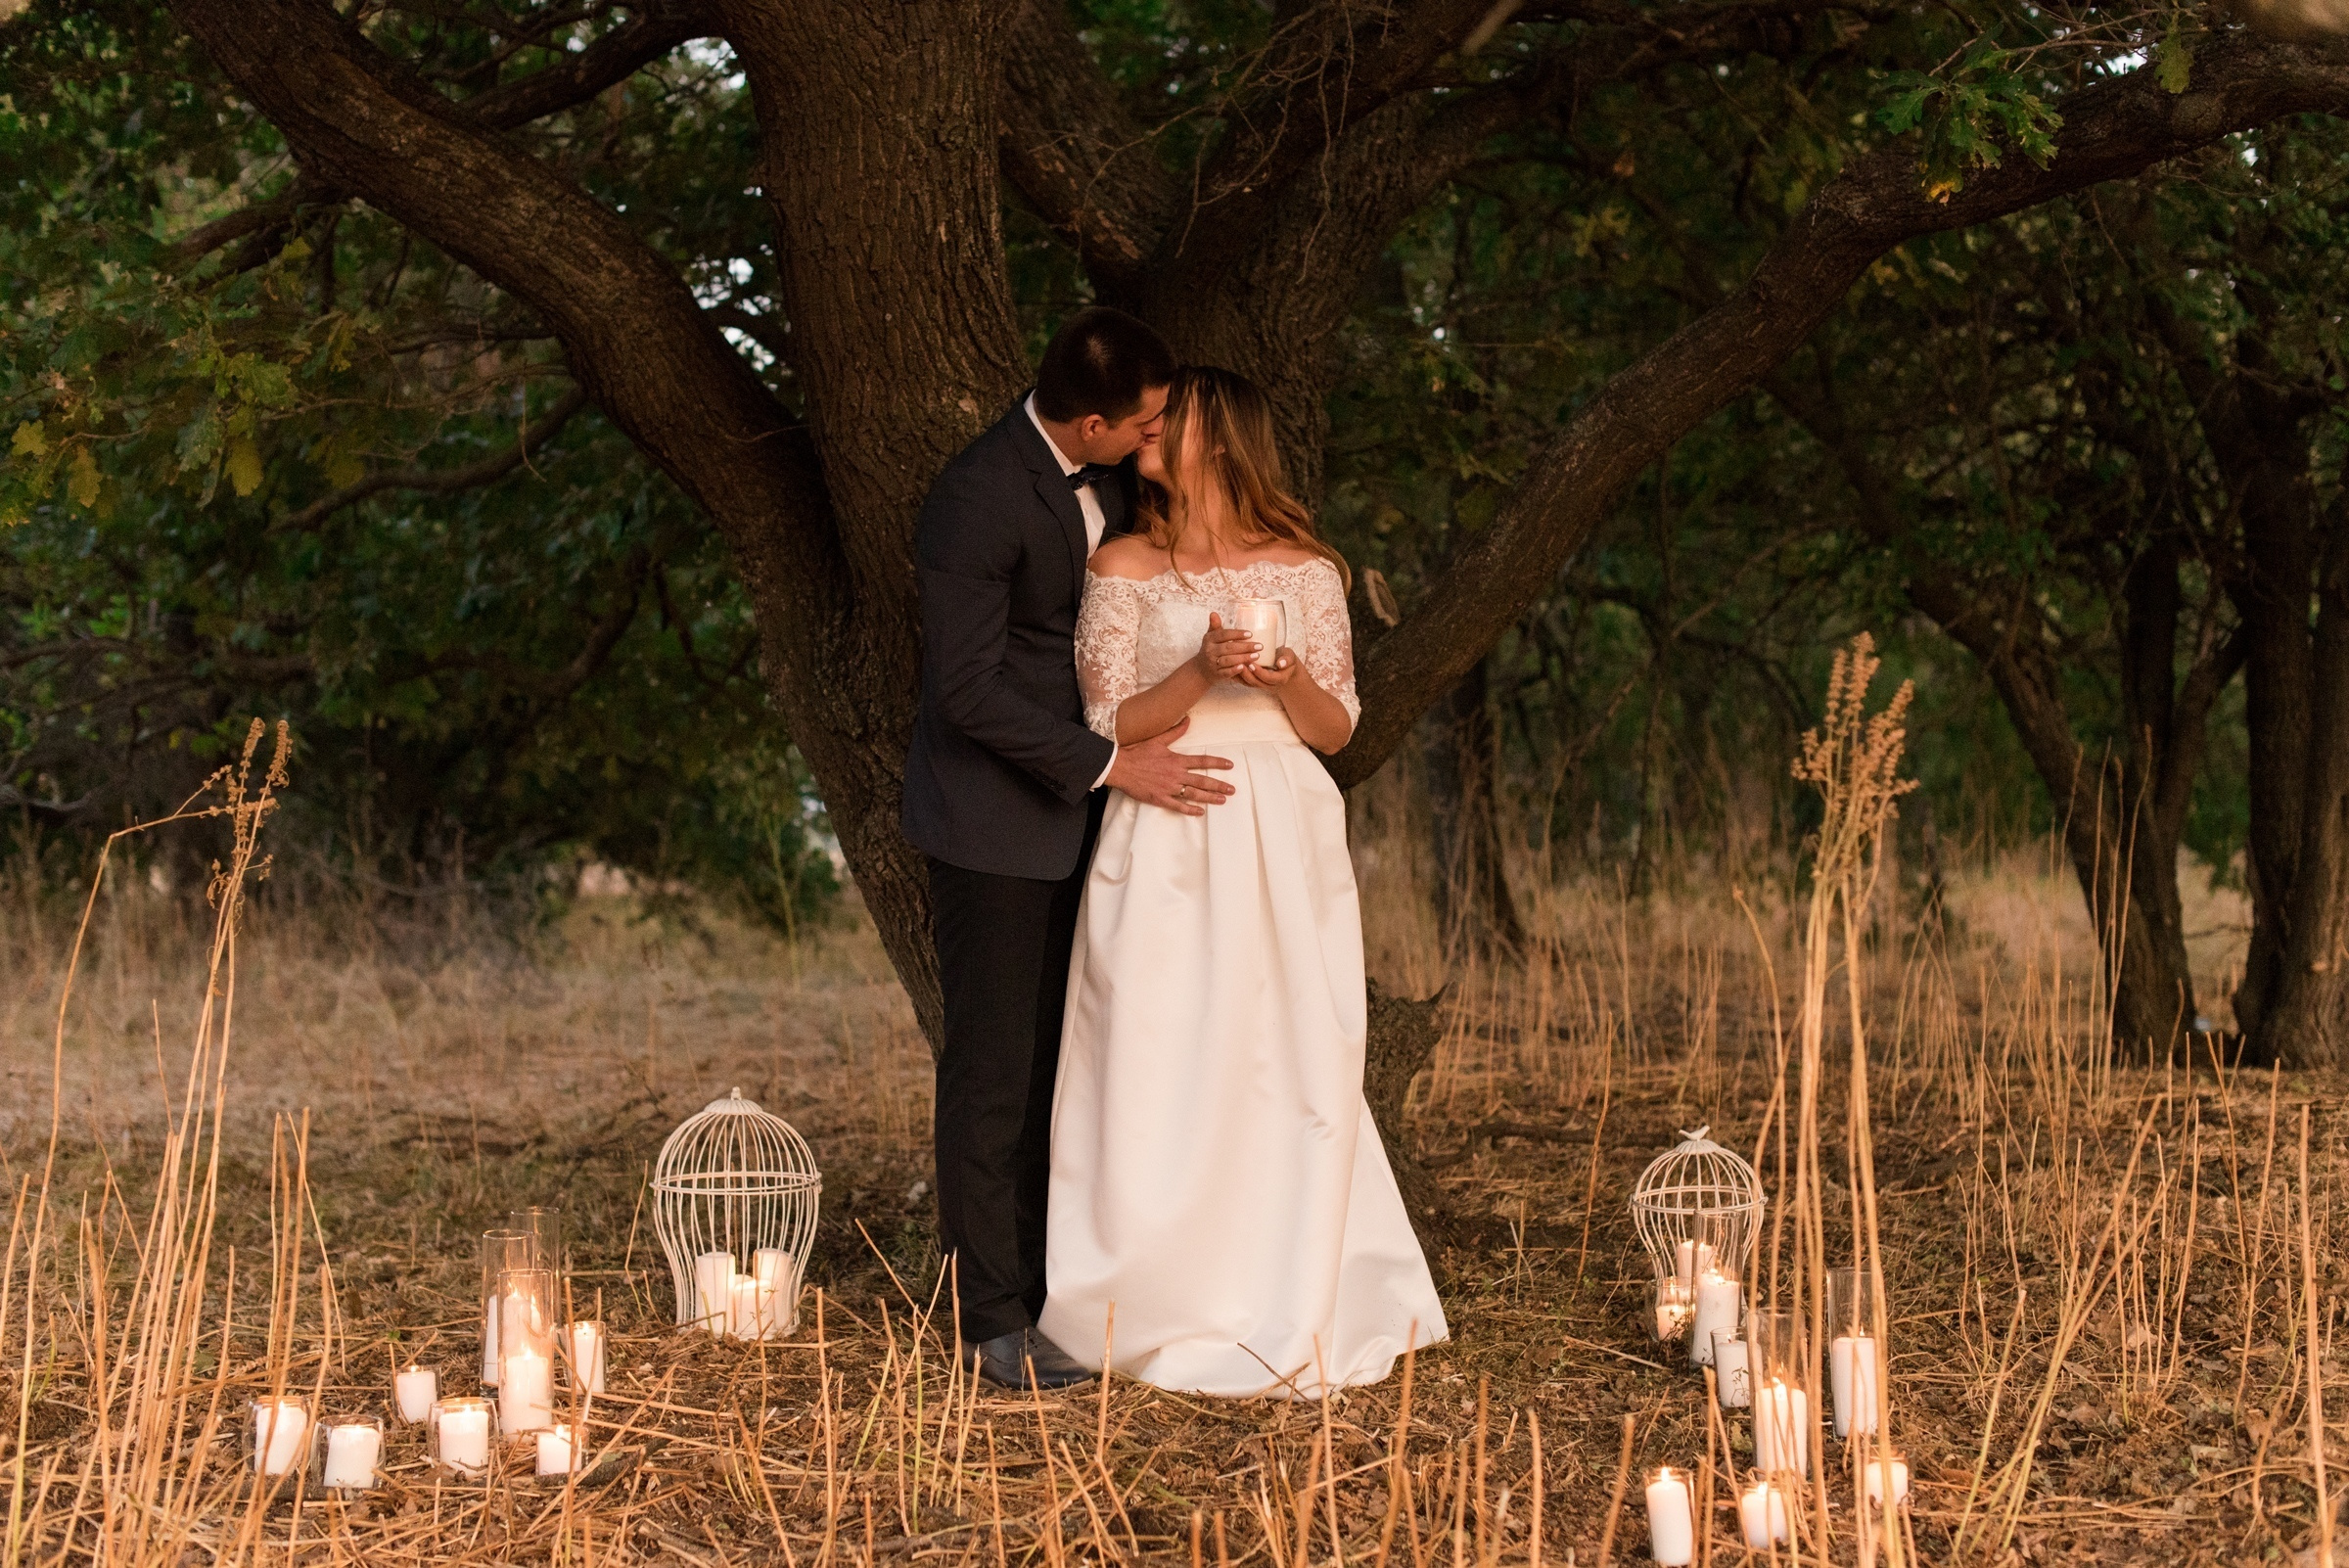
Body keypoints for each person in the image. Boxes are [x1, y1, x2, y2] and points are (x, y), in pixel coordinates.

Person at [1038, 366, 1448, 1397]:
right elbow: (1101, 723)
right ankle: (1150, 1292)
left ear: (1218, 439)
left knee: (1289, 1048)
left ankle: (1292, 1278)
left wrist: (1287, 675)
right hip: (1170, 818)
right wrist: (1202, 675)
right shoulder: (1123, 560)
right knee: (1157, 1044)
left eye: (1166, 424)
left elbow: (1337, 729)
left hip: (1281, 822)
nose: (1145, 434)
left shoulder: (1306, 570)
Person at [902, 307, 1234, 1390]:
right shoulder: (977, 495)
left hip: (1088, 823)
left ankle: (1060, 1289)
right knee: (995, 1071)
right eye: (1141, 426)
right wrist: (1105, 764)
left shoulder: (1105, 484)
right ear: (1090, 421)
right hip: (997, 825)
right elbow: (967, 692)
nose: (1154, 442)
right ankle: (988, 1317)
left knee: (1069, 1068)